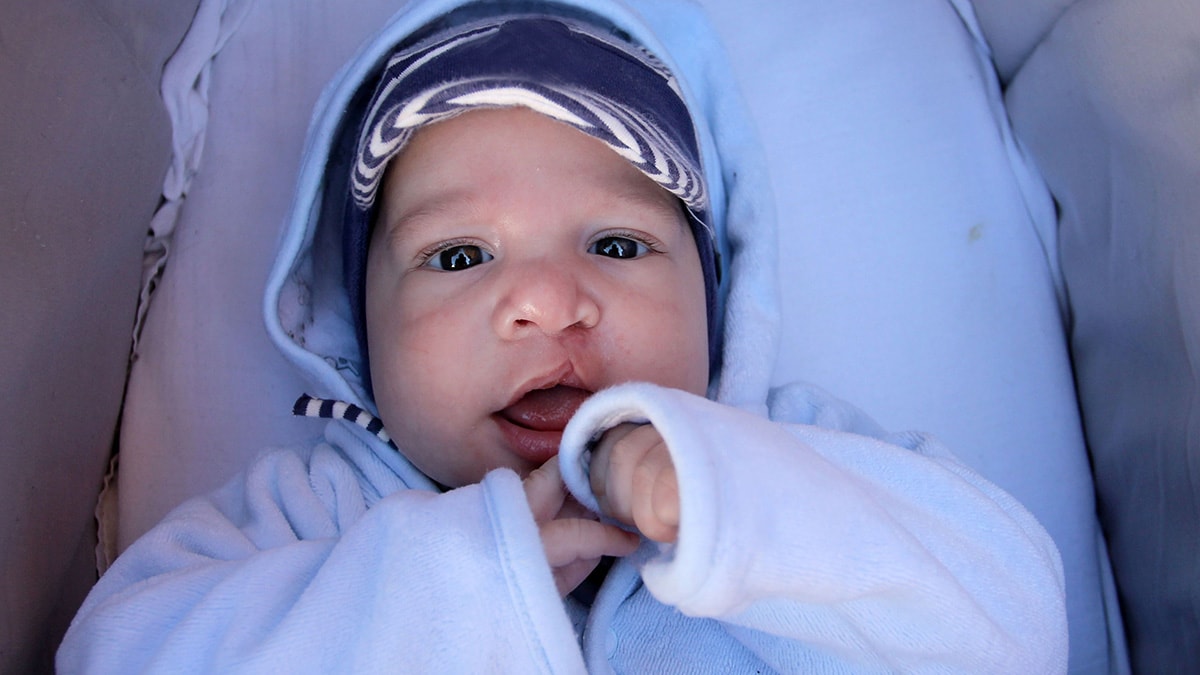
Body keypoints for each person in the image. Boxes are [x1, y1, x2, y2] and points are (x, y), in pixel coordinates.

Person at [57, 0, 1068, 671]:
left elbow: (1015, 622)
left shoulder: (792, 462)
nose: (548, 300)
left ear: (714, 296)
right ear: (357, 326)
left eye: (618, 244)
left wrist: (724, 504)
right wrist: (468, 570)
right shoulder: (312, 517)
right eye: (459, 258)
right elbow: (119, 652)